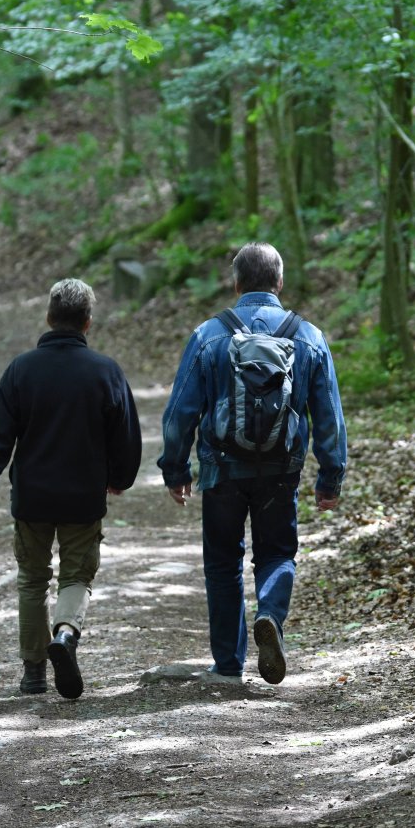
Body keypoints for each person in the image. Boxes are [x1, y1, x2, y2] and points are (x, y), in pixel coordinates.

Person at [158, 243, 346, 685]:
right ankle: (271, 617)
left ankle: (227, 666)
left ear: (236, 283)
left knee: (223, 562)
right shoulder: (308, 336)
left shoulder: (210, 334)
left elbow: (179, 412)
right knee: (278, 552)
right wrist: (330, 476)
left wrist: (176, 469)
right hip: (281, 471)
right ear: (279, 283)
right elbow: (329, 416)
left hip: (222, 470)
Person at [0, 278, 142, 699]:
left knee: (32, 579)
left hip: (33, 497)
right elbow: (126, 436)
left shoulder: (22, 370)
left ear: (48, 317)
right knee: (76, 575)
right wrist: (119, 478)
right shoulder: (105, 371)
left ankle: (33, 674)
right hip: (83, 496)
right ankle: (65, 634)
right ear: (88, 322)